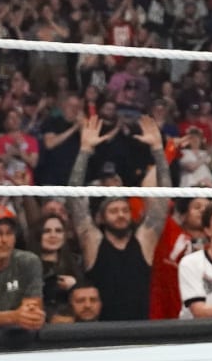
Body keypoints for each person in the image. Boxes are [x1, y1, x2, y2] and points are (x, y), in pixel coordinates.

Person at [68, 114, 171, 321]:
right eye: (114, 211)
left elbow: (163, 199)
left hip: (140, 330)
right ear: (102, 218)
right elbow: (75, 201)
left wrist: (158, 152)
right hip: (102, 331)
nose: (121, 215)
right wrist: (85, 151)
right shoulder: (94, 242)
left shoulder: (143, 240)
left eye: (124, 210)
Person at [30, 210, 84, 322]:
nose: (53, 235)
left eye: (58, 231)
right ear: (38, 234)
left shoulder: (76, 263)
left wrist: (74, 286)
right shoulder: (26, 264)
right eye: (47, 231)